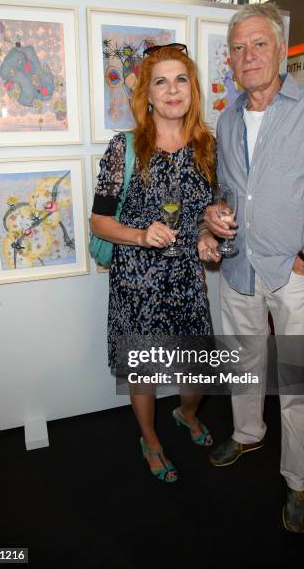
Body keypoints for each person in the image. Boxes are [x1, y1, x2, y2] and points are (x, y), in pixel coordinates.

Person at [198, 3, 304, 532]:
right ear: (231, 59)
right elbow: (226, 190)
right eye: (239, 48)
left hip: (294, 272)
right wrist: (216, 216)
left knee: (296, 381)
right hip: (239, 267)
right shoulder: (225, 117)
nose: (248, 56)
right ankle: (248, 433)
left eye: (259, 44)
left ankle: (298, 479)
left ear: (281, 49)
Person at [90, 44, 216, 483]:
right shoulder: (123, 149)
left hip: (186, 277)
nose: (172, 89)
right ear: (147, 94)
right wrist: (141, 235)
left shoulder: (207, 146)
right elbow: (99, 221)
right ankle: (151, 439)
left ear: (192, 89)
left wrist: (206, 238)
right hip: (137, 280)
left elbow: (206, 215)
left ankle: (184, 413)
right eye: (160, 81)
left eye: (180, 79)